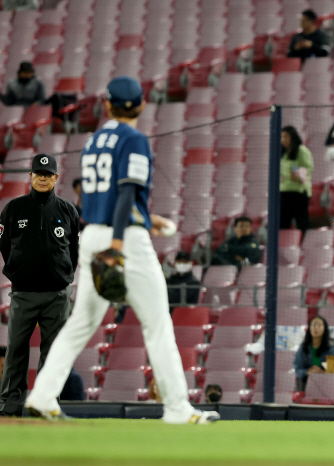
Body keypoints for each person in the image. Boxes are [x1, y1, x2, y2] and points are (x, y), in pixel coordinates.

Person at [24, 76, 219, 424]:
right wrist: (119, 242)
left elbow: (107, 195)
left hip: (93, 233)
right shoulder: (135, 139)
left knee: (80, 323)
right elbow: (127, 190)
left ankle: (42, 394)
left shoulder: (93, 141)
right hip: (122, 240)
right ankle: (177, 409)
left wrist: (146, 217)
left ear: (108, 105)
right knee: (158, 322)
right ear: (141, 104)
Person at [0, 153, 80, 417]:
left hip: (57, 294)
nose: (42, 178)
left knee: (54, 351)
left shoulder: (68, 210)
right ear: (31, 176)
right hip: (24, 293)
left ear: (55, 178)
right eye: (38, 174)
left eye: (47, 175)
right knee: (16, 351)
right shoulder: (14, 208)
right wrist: (16, 272)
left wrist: (64, 276)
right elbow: (3, 246)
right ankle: (11, 404)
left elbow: (74, 250)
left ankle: (46, 402)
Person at [280, 126, 314, 237]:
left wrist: (299, 176)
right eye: (282, 137)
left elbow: (308, 168)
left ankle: (302, 247)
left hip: (299, 193)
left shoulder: (302, 150)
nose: (283, 139)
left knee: (301, 223)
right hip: (284, 192)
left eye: (286, 136)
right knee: (283, 223)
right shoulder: (283, 152)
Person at [293, 315, 334, 391]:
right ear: (309, 328)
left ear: (324, 329)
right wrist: (308, 372)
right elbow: (298, 368)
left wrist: (321, 371)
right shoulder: (303, 348)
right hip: (307, 381)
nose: (316, 327)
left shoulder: (330, 348)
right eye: (313, 325)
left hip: (326, 382)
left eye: (319, 325)